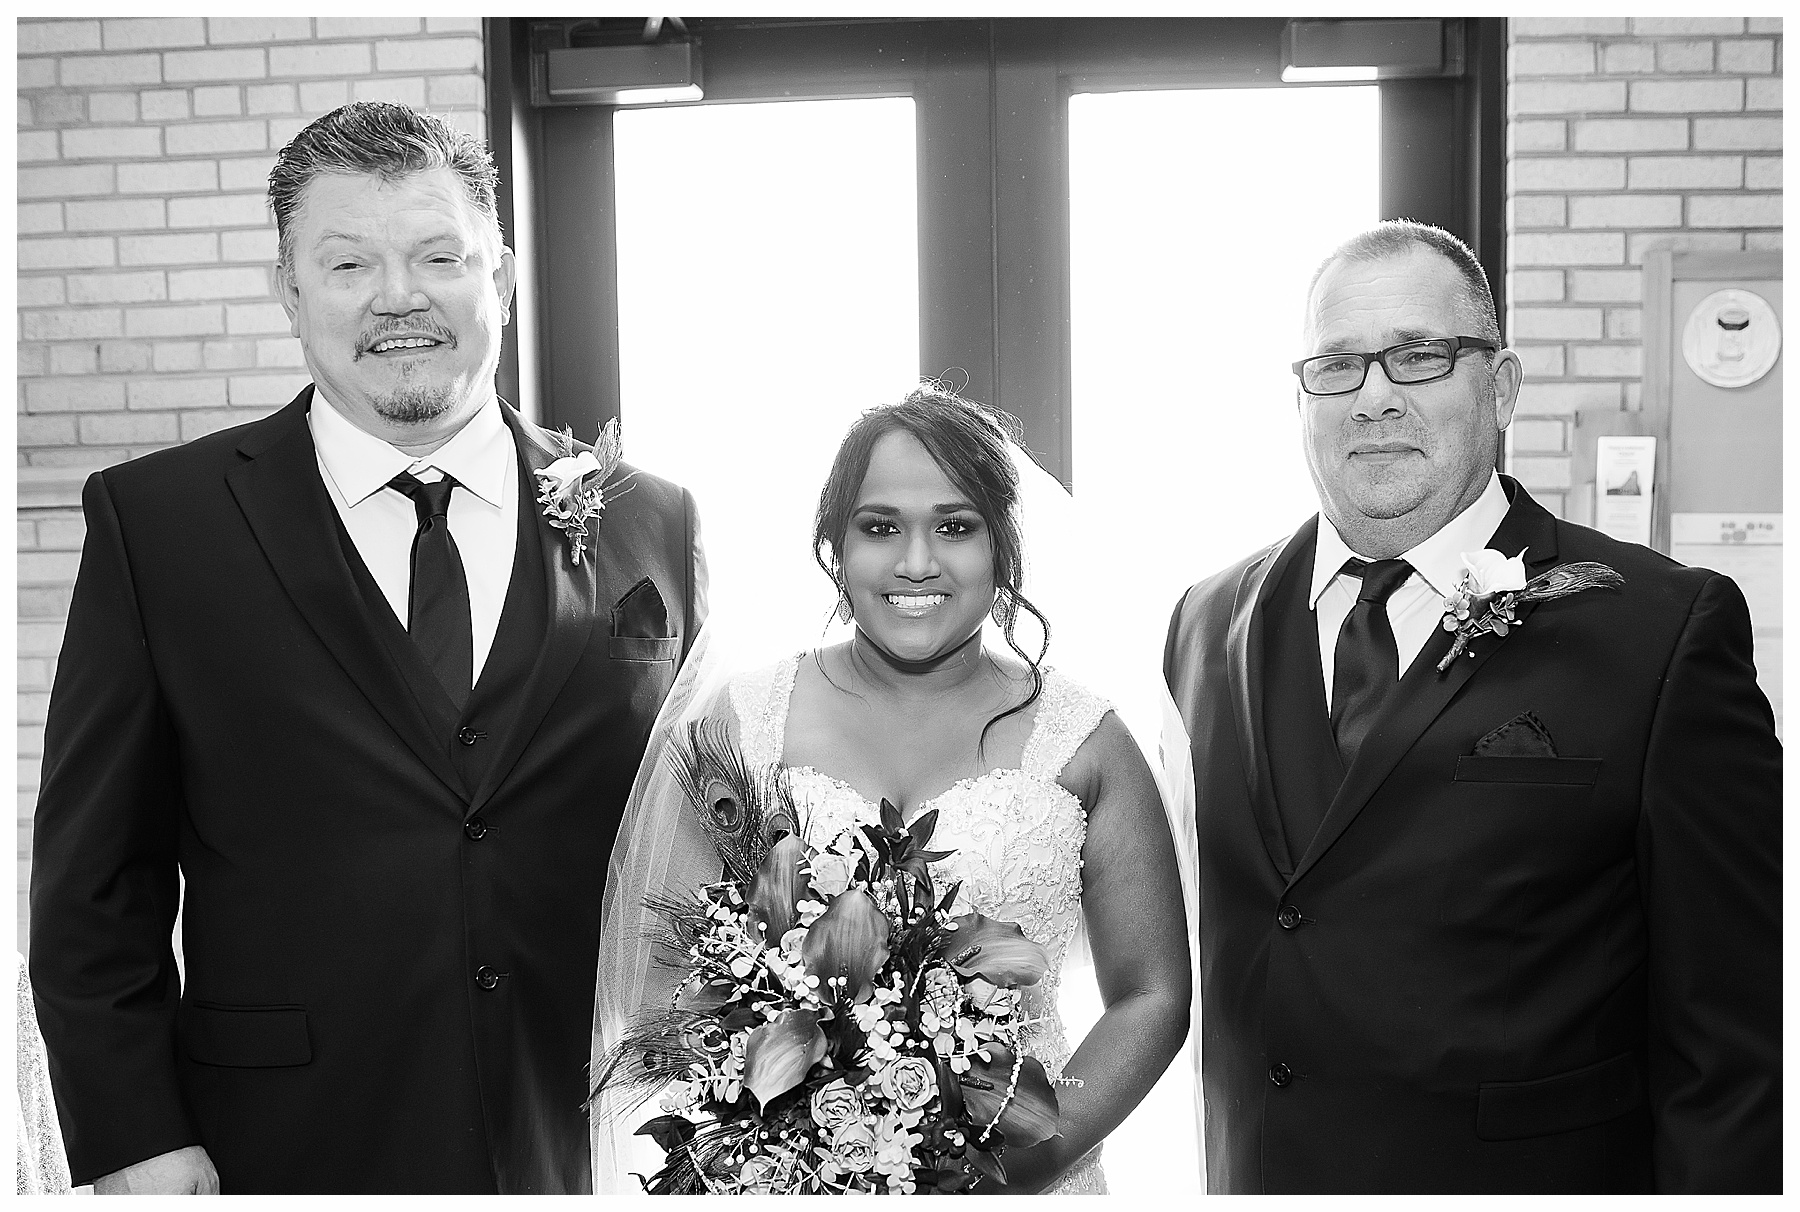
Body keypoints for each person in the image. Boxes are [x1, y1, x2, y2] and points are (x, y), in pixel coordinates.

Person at [28, 102, 705, 1194]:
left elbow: (703, 831)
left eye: (440, 256)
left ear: (504, 276)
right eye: (348, 263)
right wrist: (137, 1140)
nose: (400, 297)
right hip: (282, 1146)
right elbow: (95, 883)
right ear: (288, 289)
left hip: (586, 1140)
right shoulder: (161, 525)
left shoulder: (648, 519)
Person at [1163, 220, 1780, 1193]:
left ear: (1500, 387)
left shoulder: (1661, 630)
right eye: (1338, 366)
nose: (1374, 397)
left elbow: (1734, 1039)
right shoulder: (1206, 621)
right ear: (1302, 398)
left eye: (1418, 357)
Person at [594, 384, 1193, 1193]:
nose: (917, 561)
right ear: (834, 546)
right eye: (881, 528)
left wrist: (1023, 1155)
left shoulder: (1087, 741)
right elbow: (659, 984)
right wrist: (805, 1138)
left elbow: (1151, 994)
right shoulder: (743, 725)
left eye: (956, 526)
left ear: (1003, 545)